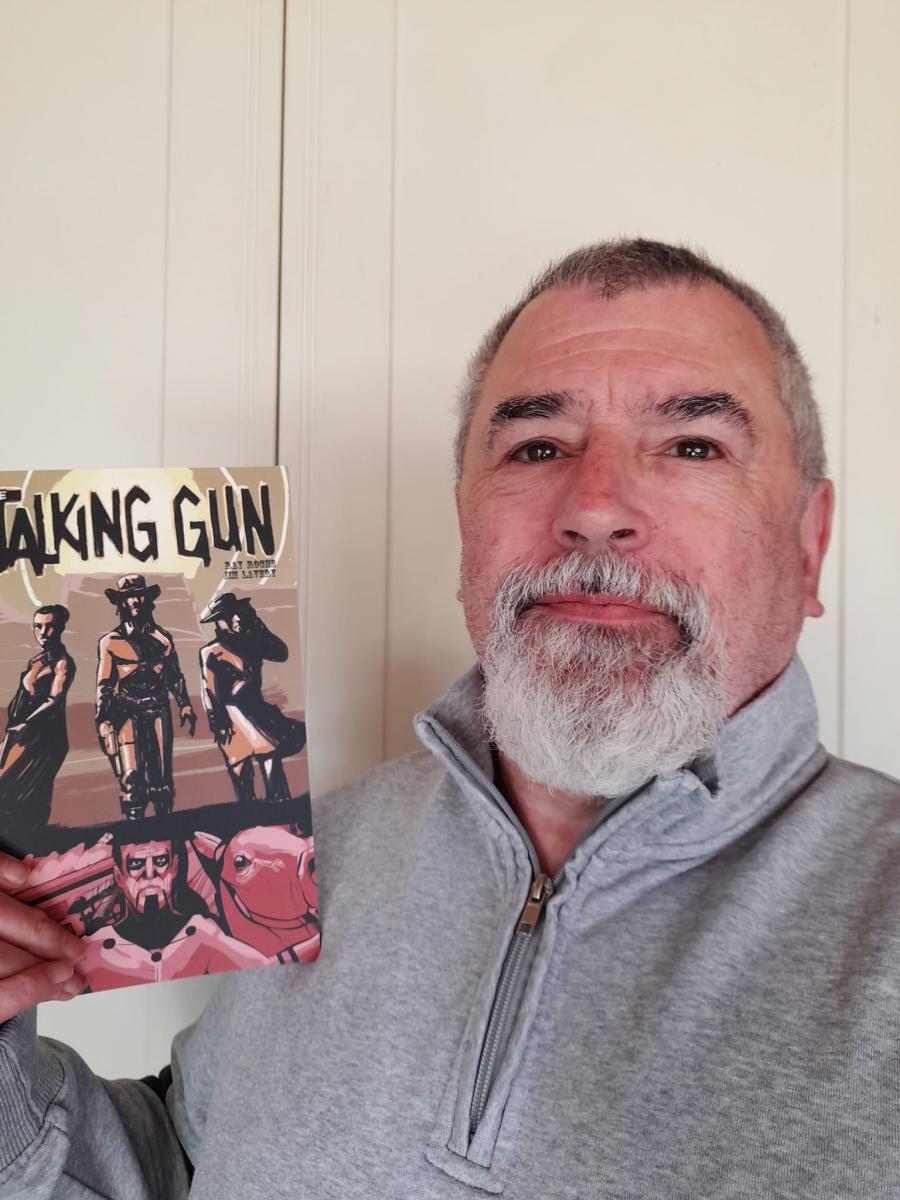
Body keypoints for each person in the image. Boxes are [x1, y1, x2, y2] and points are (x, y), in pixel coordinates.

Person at [0, 238, 899, 1197]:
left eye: (692, 446)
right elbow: (187, 1166)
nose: (595, 507)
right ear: (467, 525)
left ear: (810, 544)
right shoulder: (302, 851)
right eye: (537, 448)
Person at [96, 574, 197, 819]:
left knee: (161, 780)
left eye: (139, 595)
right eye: (128, 597)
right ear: (121, 603)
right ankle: (135, 832)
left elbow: (174, 676)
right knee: (131, 779)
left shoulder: (163, 639)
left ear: (148, 599)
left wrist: (184, 704)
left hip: (158, 710)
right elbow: (104, 685)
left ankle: (165, 830)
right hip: (126, 713)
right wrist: (103, 720)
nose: (134, 601)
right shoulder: (110, 642)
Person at [198, 592, 306, 803]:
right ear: (218, 622)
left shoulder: (252, 642)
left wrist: (257, 625)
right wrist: (216, 719)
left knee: (269, 754)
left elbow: (281, 653)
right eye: (229, 616)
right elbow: (208, 689)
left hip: (255, 708)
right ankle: (248, 809)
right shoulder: (211, 651)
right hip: (230, 714)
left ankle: (280, 803)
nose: (236, 619)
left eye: (237, 613)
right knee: (240, 766)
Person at [0, 605, 75, 850]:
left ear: (60, 627)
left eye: (49, 626)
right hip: (19, 734)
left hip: (44, 739)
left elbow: (54, 700)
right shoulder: (35, 661)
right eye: (38, 626)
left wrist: (26, 723)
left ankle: (32, 844)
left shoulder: (63, 663)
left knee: (31, 791)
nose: (43, 632)